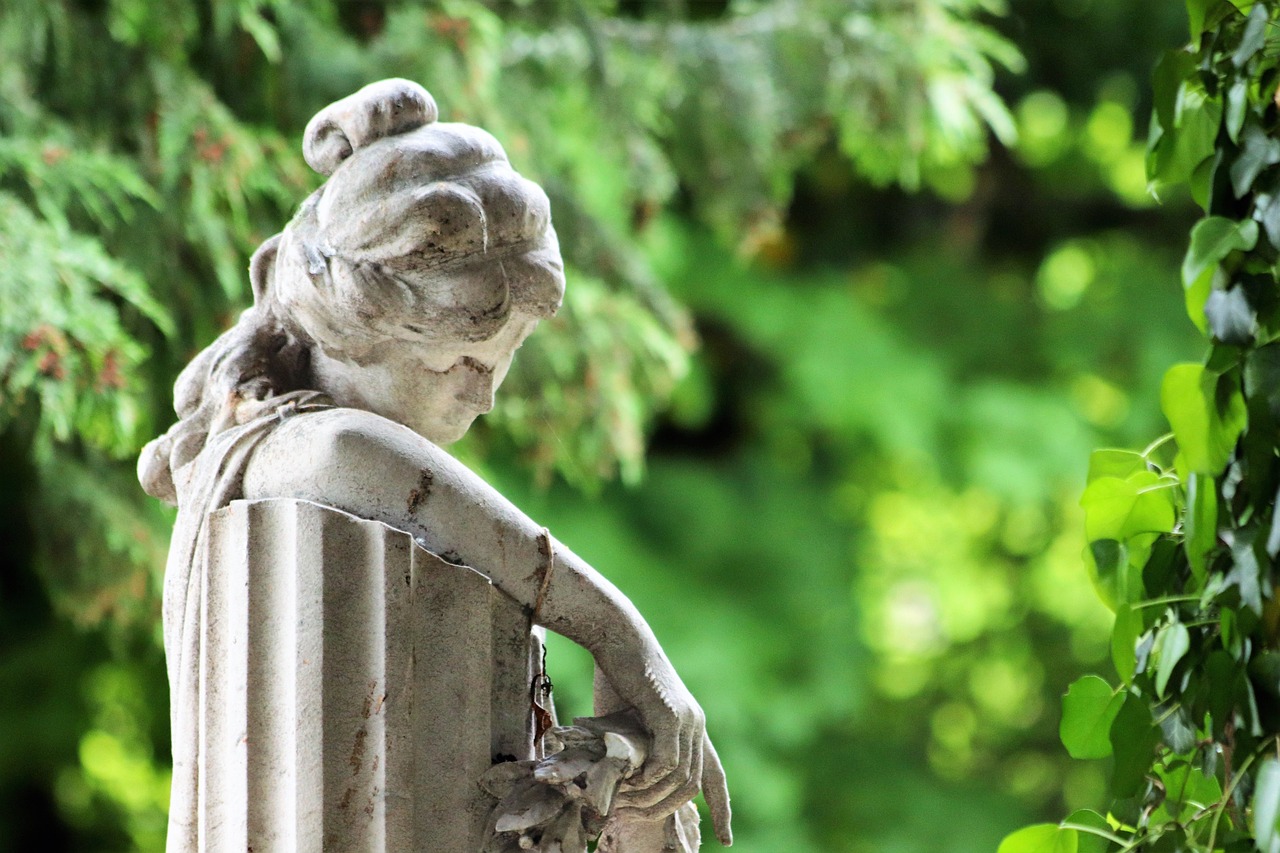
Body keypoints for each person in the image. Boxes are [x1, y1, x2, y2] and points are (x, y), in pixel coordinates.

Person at [138, 79, 730, 849]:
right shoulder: (289, 448)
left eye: (502, 361)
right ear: (357, 326)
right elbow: (358, 456)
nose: (484, 395)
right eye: (462, 360)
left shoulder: (375, 494)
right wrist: (619, 632)